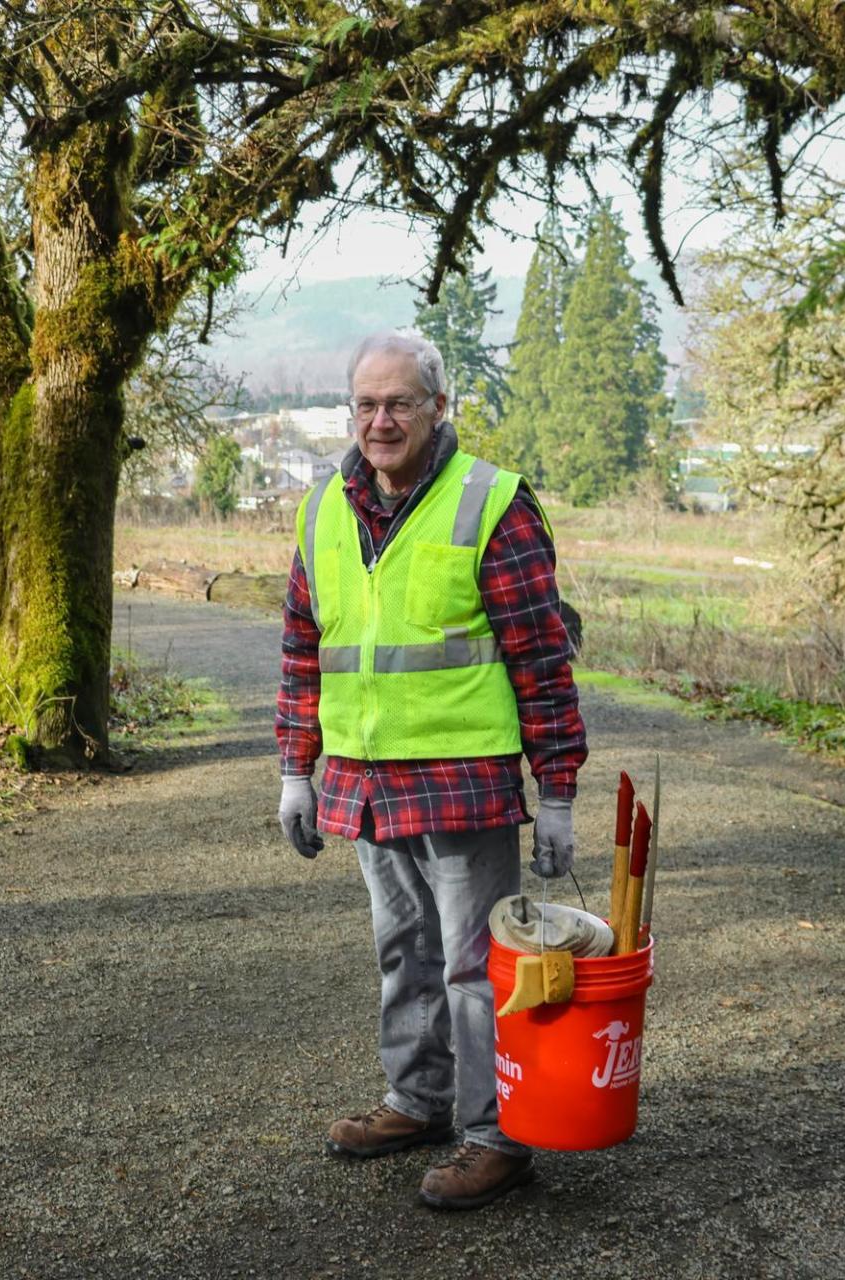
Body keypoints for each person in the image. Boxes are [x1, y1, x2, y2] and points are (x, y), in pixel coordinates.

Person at [275, 330, 586, 1210]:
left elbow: (541, 657)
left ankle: (499, 1136)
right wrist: (296, 769)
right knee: (402, 953)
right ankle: (420, 1100)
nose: (381, 421)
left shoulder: (490, 503)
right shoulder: (322, 509)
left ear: (438, 408)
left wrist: (556, 789)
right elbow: (305, 647)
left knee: (474, 968)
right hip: (368, 782)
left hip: (462, 785)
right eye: (366, 405)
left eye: (399, 403)